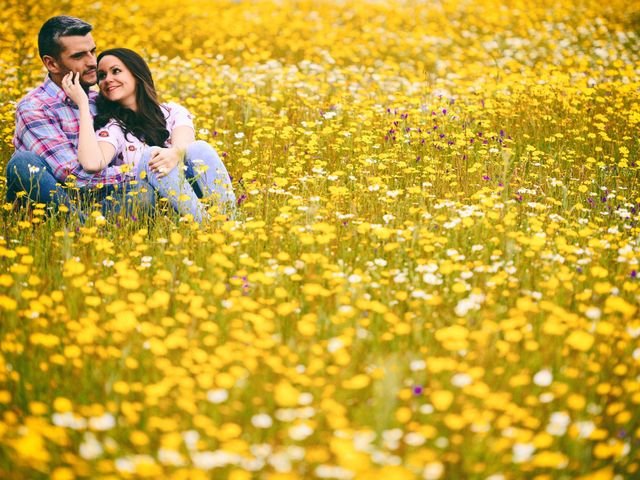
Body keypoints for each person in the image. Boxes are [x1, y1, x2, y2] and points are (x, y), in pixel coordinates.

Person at [61, 48, 235, 223]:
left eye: (116, 71)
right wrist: (83, 104)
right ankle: (206, 226)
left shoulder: (172, 112)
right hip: (156, 203)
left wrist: (174, 153)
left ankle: (228, 219)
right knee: (150, 155)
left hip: (192, 192)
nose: (108, 80)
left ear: (136, 74)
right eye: (102, 76)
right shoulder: (113, 128)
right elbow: (92, 163)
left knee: (199, 147)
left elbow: (186, 143)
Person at [6, 16, 154, 217]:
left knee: (143, 194)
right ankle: (83, 228)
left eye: (93, 51)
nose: (93, 62)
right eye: (78, 56)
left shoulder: (102, 98)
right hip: (54, 199)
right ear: (52, 64)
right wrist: (143, 170)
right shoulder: (34, 107)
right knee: (22, 163)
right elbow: (74, 179)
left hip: (103, 197)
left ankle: (86, 227)